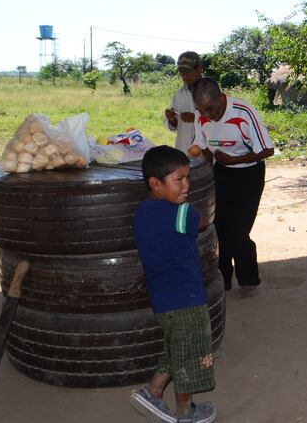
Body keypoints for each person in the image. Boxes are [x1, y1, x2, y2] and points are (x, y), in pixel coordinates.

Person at [130, 146, 217, 423]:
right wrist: (190, 208)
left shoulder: (142, 213)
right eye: (178, 179)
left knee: (178, 348)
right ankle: (185, 412)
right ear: (155, 184)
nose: (186, 186)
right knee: (190, 356)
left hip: (163, 301)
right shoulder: (181, 214)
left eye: (187, 178)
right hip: (186, 299)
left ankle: (153, 391)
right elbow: (202, 221)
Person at [191, 77, 275, 299]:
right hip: (222, 172)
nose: (207, 115)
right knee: (219, 226)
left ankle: (248, 278)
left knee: (239, 230)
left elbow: (268, 150)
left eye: (210, 108)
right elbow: (202, 145)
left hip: (249, 173)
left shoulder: (243, 111)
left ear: (221, 97)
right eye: (201, 110)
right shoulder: (202, 117)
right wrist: (210, 163)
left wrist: (233, 161)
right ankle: (224, 277)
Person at [164, 51, 204, 154]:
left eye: (188, 71)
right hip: (182, 150)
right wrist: (172, 119)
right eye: (181, 71)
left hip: (206, 154)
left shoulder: (211, 92)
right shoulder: (179, 94)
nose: (184, 75)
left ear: (199, 69)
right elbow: (173, 126)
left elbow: (220, 122)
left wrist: (196, 118)